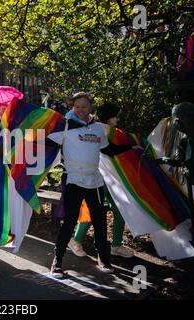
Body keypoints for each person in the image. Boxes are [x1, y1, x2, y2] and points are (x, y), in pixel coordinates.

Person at [47, 92, 138, 278]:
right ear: (72, 107)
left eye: (84, 106)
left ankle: (103, 259)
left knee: (99, 221)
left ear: (90, 107)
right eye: (77, 106)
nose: (80, 109)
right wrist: (24, 139)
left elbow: (108, 149)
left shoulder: (98, 129)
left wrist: (131, 147)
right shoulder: (65, 125)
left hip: (94, 181)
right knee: (70, 222)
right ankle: (57, 260)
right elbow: (46, 142)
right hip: (73, 180)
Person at [68, 102, 135, 259]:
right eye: (115, 116)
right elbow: (109, 151)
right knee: (93, 211)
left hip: (113, 179)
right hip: (97, 177)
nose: (117, 119)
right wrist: (131, 148)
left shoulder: (112, 132)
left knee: (120, 210)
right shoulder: (98, 129)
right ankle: (76, 240)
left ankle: (116, 245)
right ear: (109, 117)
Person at [157, 102, 194, 256]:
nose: (177, 124)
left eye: (179, 120)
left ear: (192, 119)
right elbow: (178, 160)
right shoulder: (185, 142)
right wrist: (162, 160)